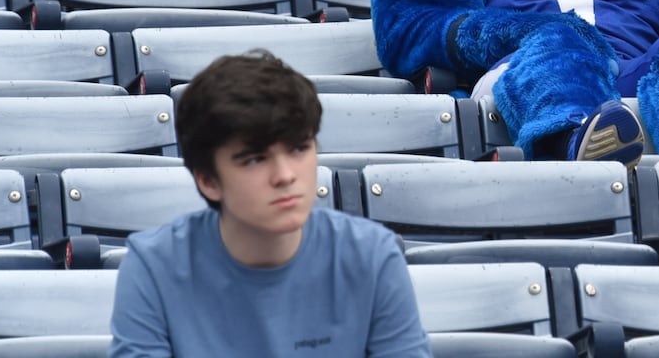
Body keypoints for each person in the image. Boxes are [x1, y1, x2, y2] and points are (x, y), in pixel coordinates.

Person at [110, 51, 431, 357]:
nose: (285, 176)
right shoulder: (153, 266)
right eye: (254, 160)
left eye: (298, 149)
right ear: (208, 180)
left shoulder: (372, 256)